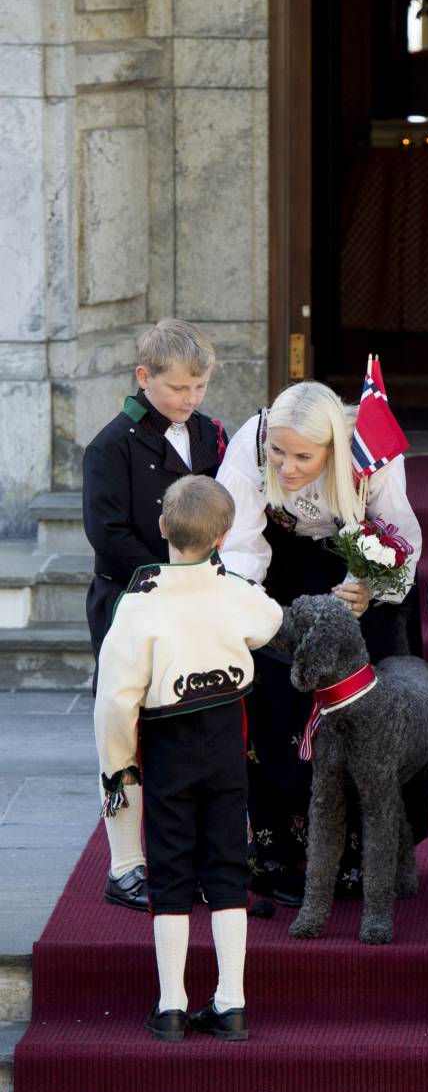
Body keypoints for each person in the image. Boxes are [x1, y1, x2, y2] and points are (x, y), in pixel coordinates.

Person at [216, 380, 425, 905]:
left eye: (302, 456)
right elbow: (240, 543)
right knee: (275, 700)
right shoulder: (250, 443)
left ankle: (365, 859)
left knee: (364, 714)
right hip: (278, 563)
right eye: (278, 453)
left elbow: (399, 532)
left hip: (357, 559)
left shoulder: (371, 449)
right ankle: (281, 854)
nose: (285, 467)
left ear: (333, 446)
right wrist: (258, 615)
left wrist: (370, 586)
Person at [94, 475, 284, 1043]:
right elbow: (270, 620)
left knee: (170, 870)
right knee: (226, 865)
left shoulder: (138, 604)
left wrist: (119, 765)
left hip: (168, 747)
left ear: (161, 529)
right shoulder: (234, 593)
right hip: (226, 745)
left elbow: (114, 699)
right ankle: (231, 1003)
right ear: (224, 537)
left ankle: (171, 1004)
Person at [82, 319, 226, 913]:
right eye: (177, 389)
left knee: (189, 726)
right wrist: (171, 580)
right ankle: (125, 865)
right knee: (125, 732)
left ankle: (184, 854)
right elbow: (107, 534)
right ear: (144, 378)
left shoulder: (212, 434)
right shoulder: (110, 446)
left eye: (199, 388)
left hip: (198, 603)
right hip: (132, 601)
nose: (189, 401)